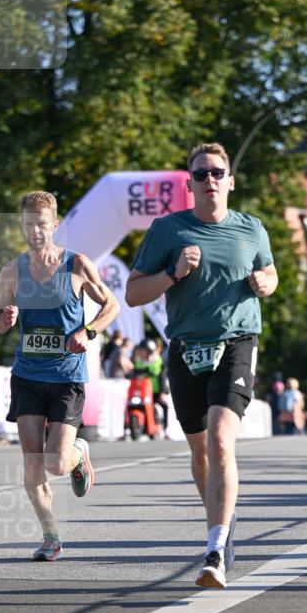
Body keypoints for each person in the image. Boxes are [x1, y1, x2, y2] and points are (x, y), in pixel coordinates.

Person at [126, 141, 278, 588]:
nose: (209, 180)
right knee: (200, 452)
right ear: (190, 184)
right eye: (200, 174)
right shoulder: (168, 230)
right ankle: (222, 522)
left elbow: (270, 273)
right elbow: (134, 294)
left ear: (230, 181)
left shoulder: (252, 228)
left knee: (219, 438)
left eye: (217, 172)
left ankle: (215, 547)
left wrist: (265, 283)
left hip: (236, 342)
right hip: (186, 347)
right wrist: (173, 273)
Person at [0, 190, 119, 560]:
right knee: (32, 463)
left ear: (55, 225)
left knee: (55, 463)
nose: (34, 231)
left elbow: (112, 305)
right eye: (28, 225)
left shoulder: (76, 265)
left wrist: (89, 331)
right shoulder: (12, 270)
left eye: (41, 224)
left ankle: (77, 454)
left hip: (66, 376)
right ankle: (50, 536)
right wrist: (3, 319)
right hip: (27, 374)